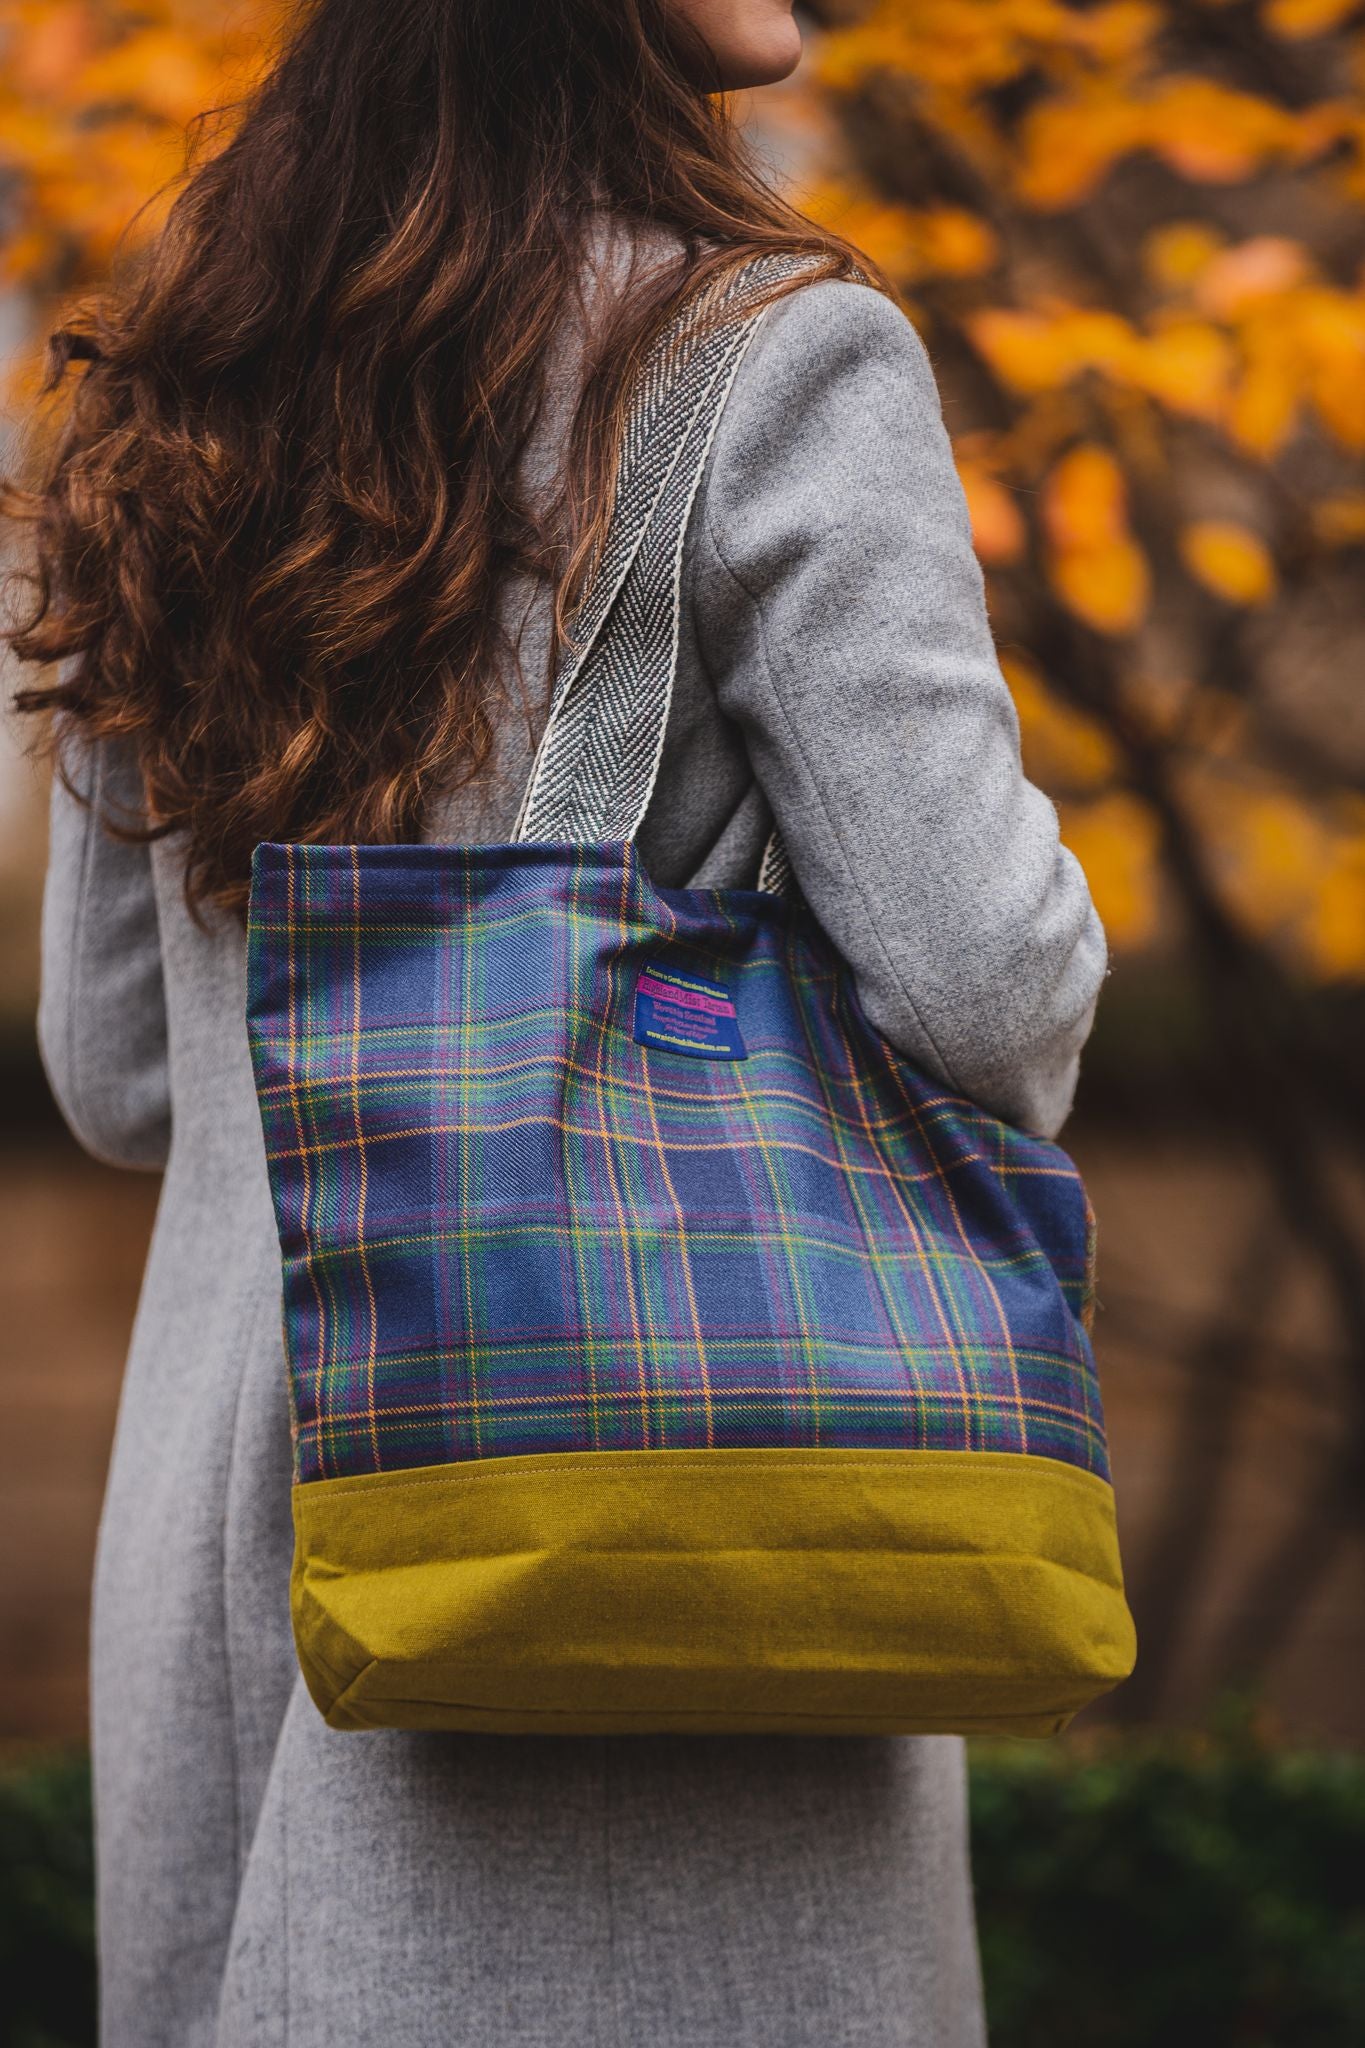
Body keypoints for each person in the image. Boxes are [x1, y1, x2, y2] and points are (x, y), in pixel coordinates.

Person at [7, 2, 1105, 2042]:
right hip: (613, 1537)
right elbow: (988, 986)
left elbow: (120, 1070)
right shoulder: (770, 361)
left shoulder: (171, 391)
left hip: (222, 1530)